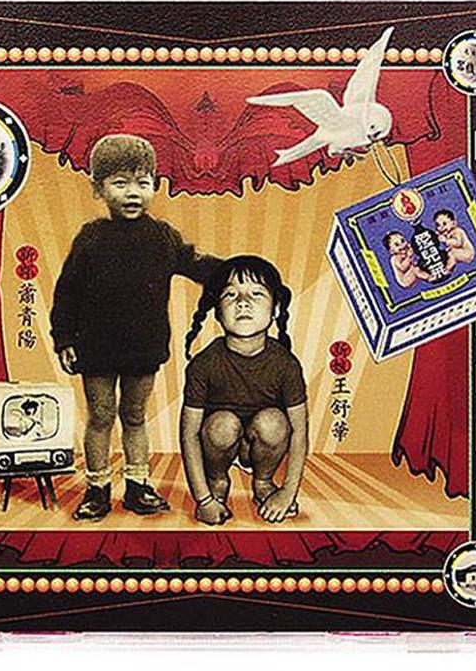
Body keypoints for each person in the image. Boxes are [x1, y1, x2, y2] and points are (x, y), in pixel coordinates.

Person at [50, 134, 220, 521]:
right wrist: (64, 338)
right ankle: (97, 489)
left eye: (143, 183)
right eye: (120, 183)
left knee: (135, 415)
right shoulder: (91, 238)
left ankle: (138, 486)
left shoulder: (162, 236)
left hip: (144, 346)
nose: (132, 193)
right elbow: (67, 292)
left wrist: (236, 270)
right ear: (98, 188)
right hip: (96, 347)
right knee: (101, 416)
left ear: (154, 185)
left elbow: (196, 264)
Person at [180, 256, 309, 526]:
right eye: (230, 294)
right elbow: (189, 434)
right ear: (217, 311)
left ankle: (263, 482)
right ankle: (217, 480)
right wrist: (203, 500)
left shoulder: (286, 364)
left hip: (260, 445)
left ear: (275, 308)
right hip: (218, 444)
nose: (243, 302)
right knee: (223, 424)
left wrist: (288, 493)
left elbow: (299, 431)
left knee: (274, 421)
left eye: (256, 294)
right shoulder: (204, 364)